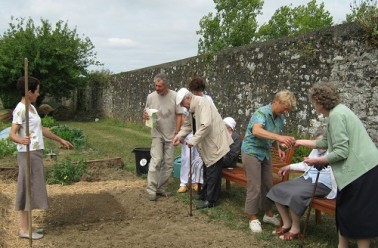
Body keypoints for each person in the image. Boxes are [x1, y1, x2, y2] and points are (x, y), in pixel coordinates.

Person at [296, 82, 378, 248]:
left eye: (313, 102)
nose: (313, 105)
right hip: (358, 171)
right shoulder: (338, 112)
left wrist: (318, 161)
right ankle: (342, 245)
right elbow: (326, 142)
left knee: (360, 214)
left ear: (319, 102)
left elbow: (341, 151)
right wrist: (298, 142)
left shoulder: (336, 116)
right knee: (344, 210)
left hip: (362, 171)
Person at [9, 76, 73, 240]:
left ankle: (29, 227)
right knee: (26, 189)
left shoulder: (32, 107)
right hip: (27, 154)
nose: (39, 94)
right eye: (37, 91)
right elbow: (12, 134)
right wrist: (21, 140)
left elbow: (41, 129)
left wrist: (60, 139)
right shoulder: (20, 109)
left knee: (32, 189)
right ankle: (24, 230)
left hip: (35, 153)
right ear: (29, 92)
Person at [241, 90, 296, 233]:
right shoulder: (261, 113)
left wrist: (278, 148)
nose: (286, 111)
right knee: (255, 186)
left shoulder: (279, 118)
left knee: (268, 184)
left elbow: (272, 137)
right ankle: (252, 217)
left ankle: (268, 214)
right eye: (285, 108)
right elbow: (257, 131)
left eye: (288, 109)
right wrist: (279, 138)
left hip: (264, 153)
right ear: (276, 101)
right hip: (251, 151)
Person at [267, 132, 337, 241]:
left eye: (322, 143)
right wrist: (288, 167)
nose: (320, 146)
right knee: (277, 189)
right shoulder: (315, 150)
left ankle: (295, 230)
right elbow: (305, 164)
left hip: (323, 184)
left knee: (295, 195)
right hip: (307, 179)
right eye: (317, 143)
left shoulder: (333, 151)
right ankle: (287, 223)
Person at [173, 88, 233, 209]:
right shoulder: (192, 108)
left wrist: (192, 141)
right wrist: (179, 136)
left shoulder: (202, 103)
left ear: (188, 98)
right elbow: (188, 125)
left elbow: (206, 125)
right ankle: (204, 194)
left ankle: (211, 200)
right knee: (207, 169)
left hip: (216, 143)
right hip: (209, 143)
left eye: (182, 104)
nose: (183, 107)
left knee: (213, 172)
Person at [143, 73, 182, 201]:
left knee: (169, 163)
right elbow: (146, 113)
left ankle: (161, 187)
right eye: (156, 85)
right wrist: (146, 116)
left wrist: (177, 132)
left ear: (166, 85)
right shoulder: (151, 97)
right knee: (156, 160)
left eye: (160, 86)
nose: (157, 88)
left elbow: (179, 115)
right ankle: (151, 190)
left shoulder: (175, 96)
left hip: (171, 134)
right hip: (156, 133)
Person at [177, 76, 215, 193]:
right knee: (187, 157)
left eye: (198, 90)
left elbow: (210, 119)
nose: (196, 93)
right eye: (194, 91)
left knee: (198, 158)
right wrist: (180, 135)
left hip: (202, 133)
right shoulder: (189, 102)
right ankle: (184, 182)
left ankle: (196, 181)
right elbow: (186, 120)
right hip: (190, 132)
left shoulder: (208, 99)